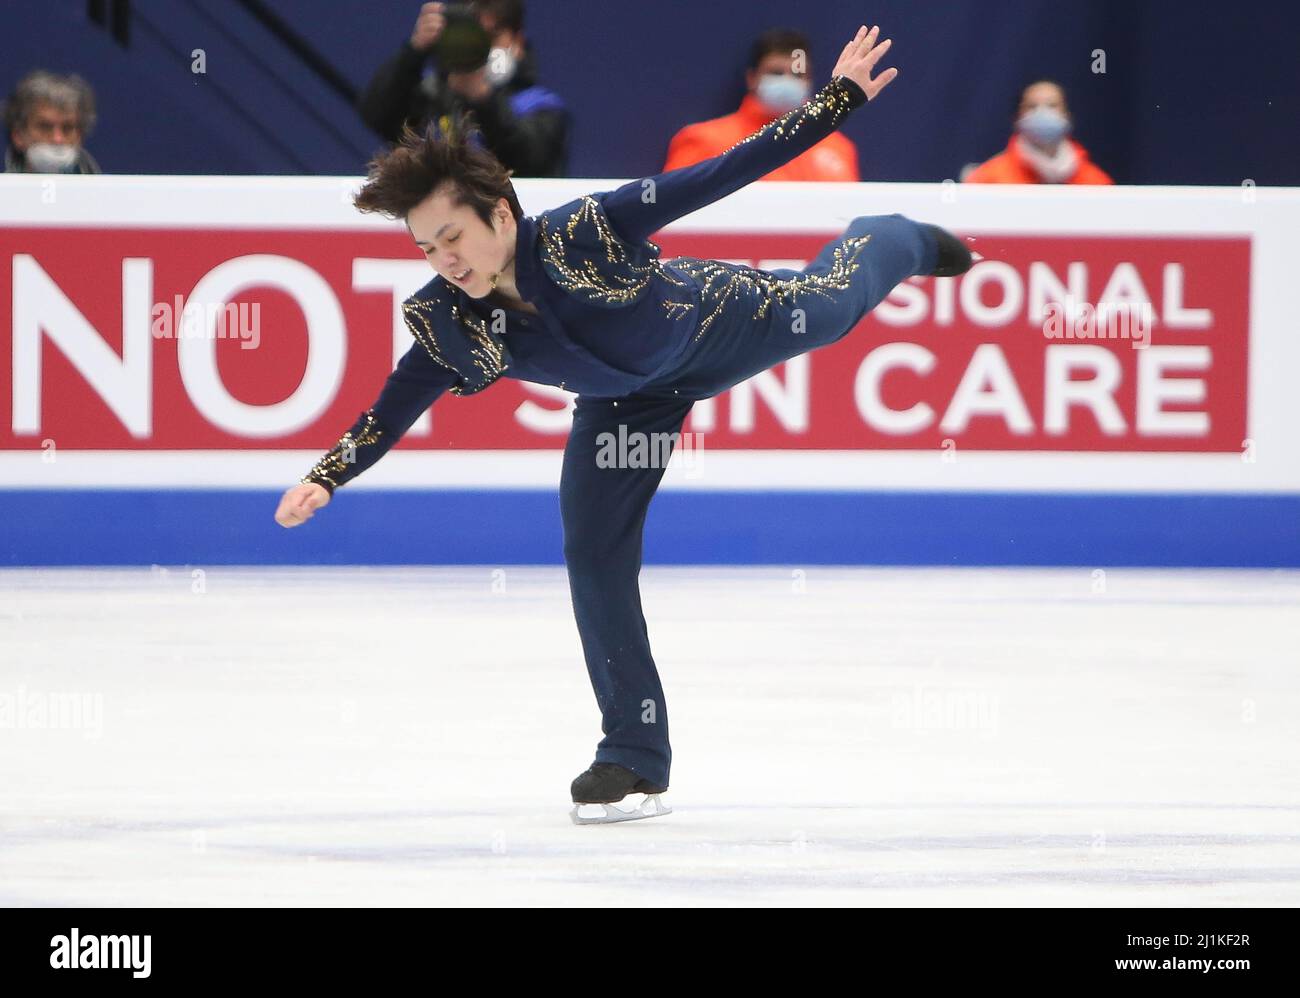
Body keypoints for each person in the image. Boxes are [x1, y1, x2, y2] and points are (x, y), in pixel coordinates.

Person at [275, 25, 971, 823]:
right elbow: (392, 405)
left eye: (454, 236)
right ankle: (633, 757)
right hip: (624, 407)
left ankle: (895, 236)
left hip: (717, 322)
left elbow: (723, 172)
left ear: (501, 214)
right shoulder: (449, 320)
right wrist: (326, 474)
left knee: (834, 308)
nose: (446, 261)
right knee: (593, 554)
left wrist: (835, 101)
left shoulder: (586, 232)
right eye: (428, 248)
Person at [359, 0, 568, 177]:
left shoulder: (541, 106)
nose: (482, 49)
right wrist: (414, 52)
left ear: (518, 41)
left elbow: (533, 164)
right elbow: (377, 118)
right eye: (472, 38)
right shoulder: (430, 97)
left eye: (492, 36)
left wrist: (482, 98)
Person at [662, 27, 860, 181]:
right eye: (776, 73)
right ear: (752, 78)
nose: (787, 81)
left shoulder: (838, 147)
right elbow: (668, 212)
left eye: (798, 74)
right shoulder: (704, 140)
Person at [964, 79, 1112, 185]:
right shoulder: (988, 179)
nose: (1042, 113)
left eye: (1052, 105)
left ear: (1068, 115)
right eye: (1032, 106)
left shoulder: (1095, 182)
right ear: (1017, 117)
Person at [3, 70, 101, 174]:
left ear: (79, 136)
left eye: (67, 128)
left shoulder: (108, 190)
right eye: (45, 127)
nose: (57, 139)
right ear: (18, 135)